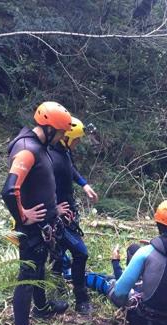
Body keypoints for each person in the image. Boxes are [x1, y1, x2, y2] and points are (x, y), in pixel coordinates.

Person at [1, 101, 73, 325]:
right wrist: (23, 216)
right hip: (31, 229)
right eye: (62, 132)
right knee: (27, 278)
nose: (63, 137)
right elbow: (9, 190)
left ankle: (42, 308)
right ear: (49, 128)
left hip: (43, 227)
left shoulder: (40, 146)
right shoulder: (27, 150)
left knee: (39, 266)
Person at [47, 117, 98, 314]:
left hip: (68, 213)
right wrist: (53, 209)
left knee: (59, 255)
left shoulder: (64, 152)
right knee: (79, 253)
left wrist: (84, 184)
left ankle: (61, 290)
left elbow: (71, 170)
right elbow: (40, 187)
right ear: (65, 137)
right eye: (76, 140)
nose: (77, 144)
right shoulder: (49, 157)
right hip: (56, 217)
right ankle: (80, 297)